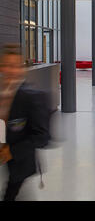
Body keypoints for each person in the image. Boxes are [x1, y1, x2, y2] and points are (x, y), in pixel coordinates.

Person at [0, 44, 50, 201]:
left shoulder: (32, 97)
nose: (10, 70)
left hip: (18, 162)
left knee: (12, 194)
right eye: (6, 65)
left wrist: (11, 152)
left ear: (22, 69)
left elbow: (42, 136)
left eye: (15, 66)